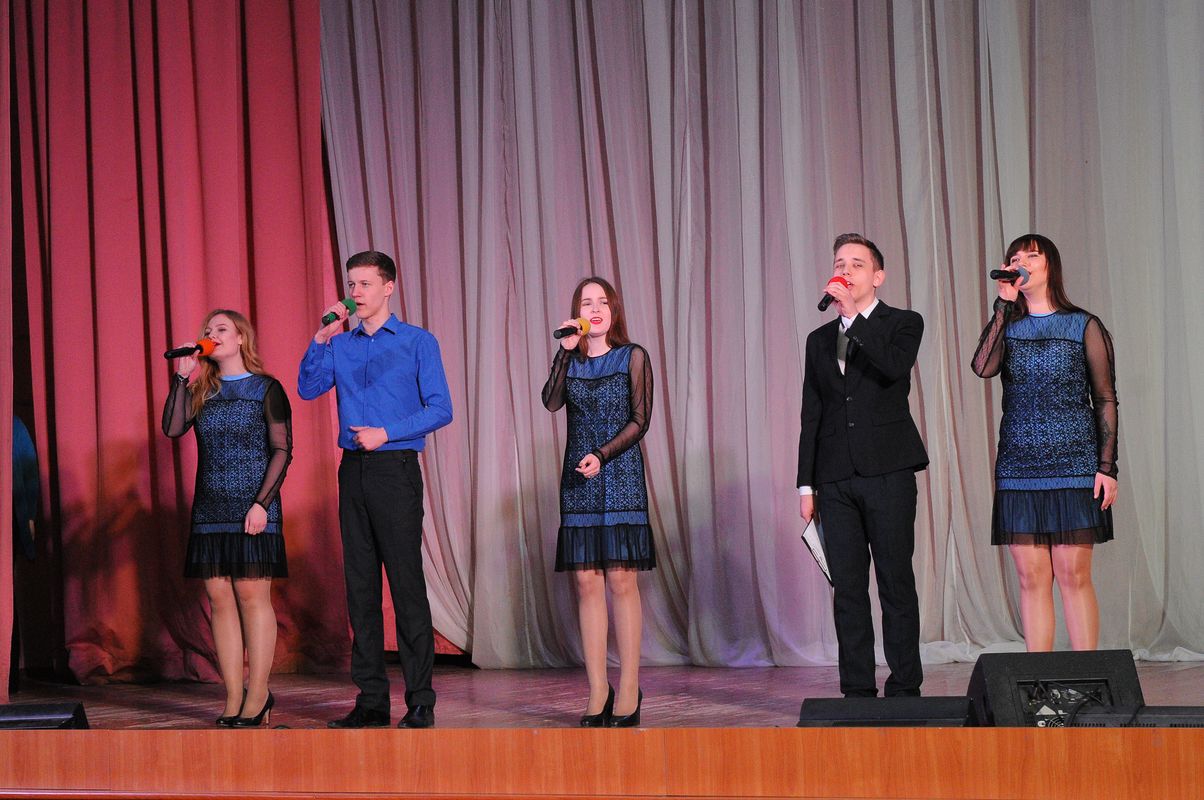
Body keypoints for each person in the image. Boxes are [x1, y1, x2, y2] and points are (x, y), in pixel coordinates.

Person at [299, 250, 452, 729]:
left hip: (395, 469)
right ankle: (370, 701)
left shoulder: (417, 342)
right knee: (360, 588)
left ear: (388, 287)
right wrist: (320, 339)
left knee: (406, 585)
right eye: (351, 284)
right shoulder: (341, 345)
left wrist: (387, 433)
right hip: (353, 473)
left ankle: (420, 700)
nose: (356, 293)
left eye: (365, 284)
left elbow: (440, 408)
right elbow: (308, 388)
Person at [796, 233, 928, 698]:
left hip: (889, 471)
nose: (845, 271)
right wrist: (806, 486)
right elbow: (812, 413)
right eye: (839, 263)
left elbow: (893, 368)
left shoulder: (903, 323)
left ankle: (905, 686)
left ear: (878, 276)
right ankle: (855, 689)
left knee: (895, 581)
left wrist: (853, 318)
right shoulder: (818, 340)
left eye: (856, 264)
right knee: (848, 589)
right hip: (834, 479)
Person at [971, 233, 1118, 651]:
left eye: (1031, 255)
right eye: (1014, 257)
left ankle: (1087, 677)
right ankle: (1039, 680)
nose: (1021, 262)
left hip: (1075, 463)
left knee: (1073, 575)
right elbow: (982, 367)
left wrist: (1107, 468)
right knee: (1031, 578)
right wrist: (1003, 305)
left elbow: (1105, 399)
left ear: (1050, 264)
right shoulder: (1009, 325)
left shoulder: (1082, 324)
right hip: (1019, 465)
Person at [162, 309, 292, 727]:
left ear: (240, 339)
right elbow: (172, 429)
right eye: (208, 330)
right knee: (219, 601)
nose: (212, 334)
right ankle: (233, 695)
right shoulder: (203, 390)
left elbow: (282, 450)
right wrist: (182, 378)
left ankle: (259, 694)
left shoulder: (266, 388)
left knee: (252, 598)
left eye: (221, 329)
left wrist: (262, 504)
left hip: (253, 506)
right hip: (210, 508)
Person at [541, 277, 655, 727]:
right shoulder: (570, 360)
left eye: (602, 302)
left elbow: (640, 420)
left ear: (614, 310)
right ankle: (597, 688)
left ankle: (628, 687)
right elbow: (551, 402)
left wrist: (603, 455)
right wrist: (564, 350)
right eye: (586, 303)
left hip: (620, 473)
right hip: (578, 479)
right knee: (586, 583)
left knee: (622, 581)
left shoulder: (633, 356)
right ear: (577, 313)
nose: (595, 309)